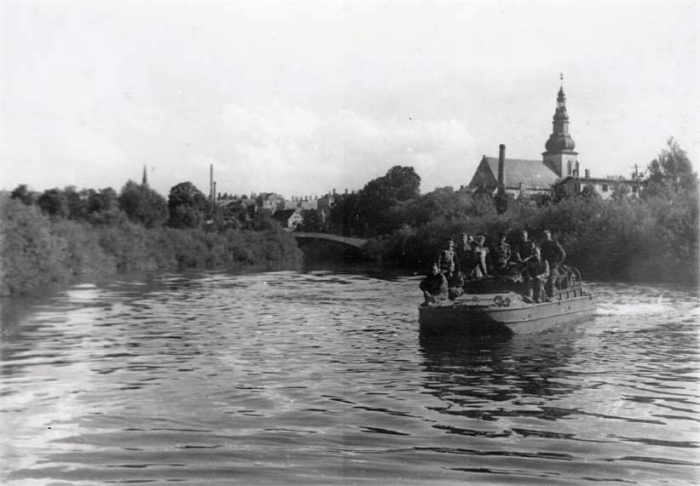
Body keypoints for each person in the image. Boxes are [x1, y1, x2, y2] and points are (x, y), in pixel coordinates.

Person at [540, 229, 566, 297]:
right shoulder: (543, 245)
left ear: (550, 235)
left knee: (551, 281)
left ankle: (551, 296)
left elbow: (562, 254)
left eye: (546, 235)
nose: (545, 237)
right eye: (544, 236)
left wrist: (558, 262)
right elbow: (542, 256)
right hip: (545, 266)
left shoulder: (554, 243)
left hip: (554, 265)